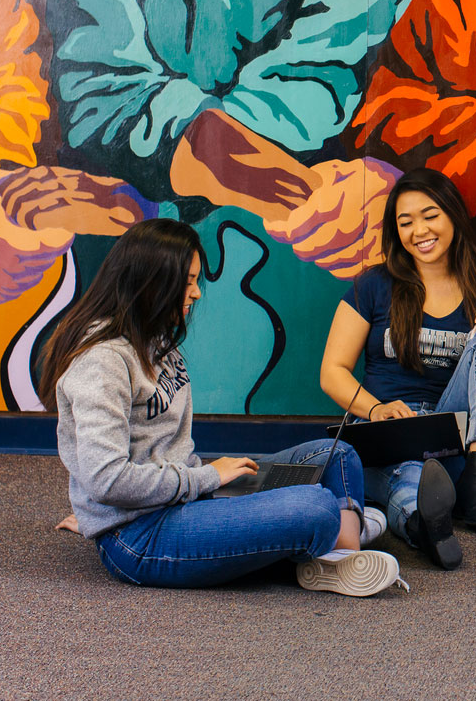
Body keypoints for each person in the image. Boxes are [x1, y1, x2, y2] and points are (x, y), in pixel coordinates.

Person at [41, 219, 403, 596]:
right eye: (188, 281)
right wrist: (206, 479)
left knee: (338, 454)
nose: (196, 293)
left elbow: (115, 478)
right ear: (151, 281)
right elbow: (108, 480)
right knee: (316, 506)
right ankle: (345, 534)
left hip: (186, 497)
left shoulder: (155, 339)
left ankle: (338, 553)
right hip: (141, 535)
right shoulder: (103, 363)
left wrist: (207, 481)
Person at [320, 168, 476, 570]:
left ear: (452, 215)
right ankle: (424, 525)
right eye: (406, 222)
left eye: (430, 215)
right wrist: (376, 410)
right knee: (409, 475)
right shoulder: (374, 285)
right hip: (387, 431)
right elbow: (332, 370)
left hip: (450, 438)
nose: (419, 230)